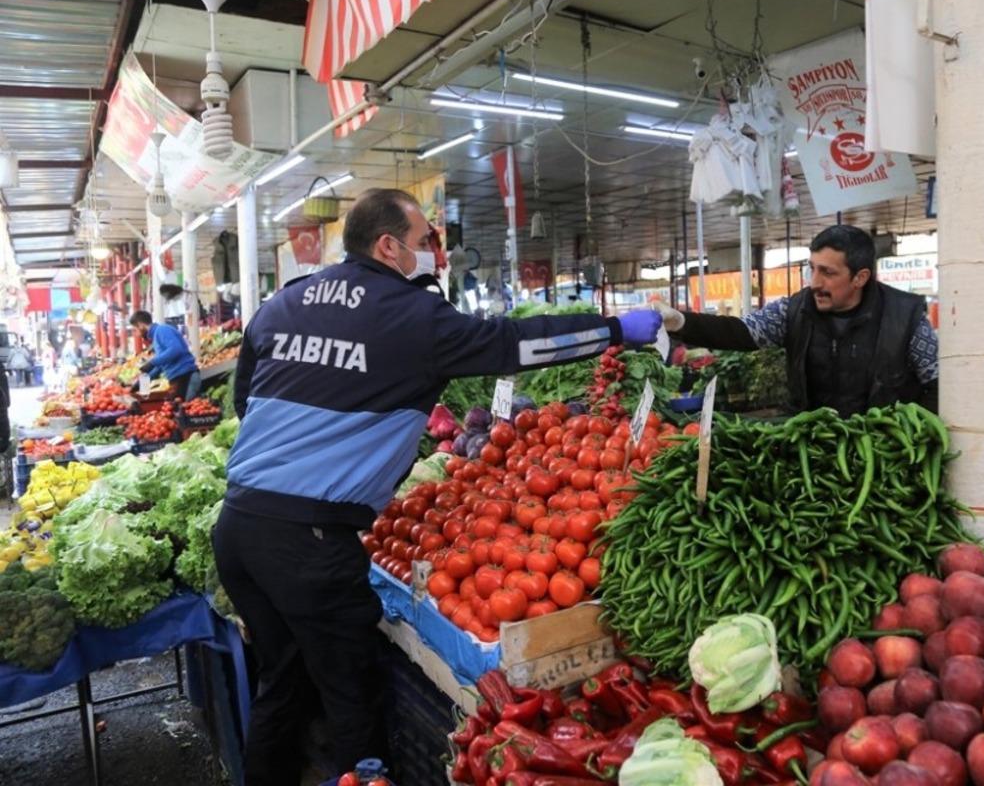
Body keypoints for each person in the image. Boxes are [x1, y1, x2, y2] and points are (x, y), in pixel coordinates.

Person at [212, 187, 660, 785]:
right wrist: (612, 329)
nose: (434, 256)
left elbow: (246, 403)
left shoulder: (281, 304)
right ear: (389, 245)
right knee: (353, 696)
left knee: (283, 679)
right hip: (310, 542)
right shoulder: (411, 316)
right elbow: (515, 344)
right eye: (426, 243)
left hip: (239, 525)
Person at [633, 224, 938, 415]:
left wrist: (909, 435)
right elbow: (743, 333)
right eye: (813, 268)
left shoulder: (906, 316)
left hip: (883, 454)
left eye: (828, 273)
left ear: (860, 277)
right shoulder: (795, 310)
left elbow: (938, 384)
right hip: (814, 449)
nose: (815, 282)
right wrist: (682, 323)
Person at [128, 310, 202, 400]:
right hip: (178, 379)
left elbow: (176, 349)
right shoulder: (156, 337)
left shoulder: (162, 330)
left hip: (186, 377)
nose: (136, 334)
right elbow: (161, 366)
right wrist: (142, 383)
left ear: (140, 325)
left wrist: (152, 362)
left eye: (135, 330)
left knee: (185, 409)